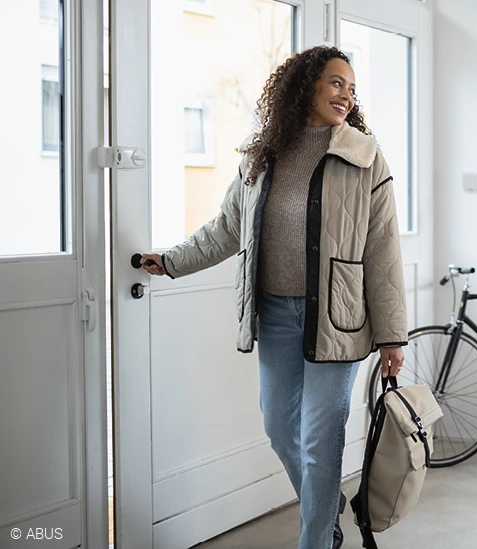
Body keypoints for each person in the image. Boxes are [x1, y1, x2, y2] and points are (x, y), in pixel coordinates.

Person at [139, 46, 408, 549]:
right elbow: (226, 228)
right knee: (280, 429)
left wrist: (393, 336)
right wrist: (172, 260)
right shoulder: (263, 154)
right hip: (276, 314)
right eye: (335, 83)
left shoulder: (365, 157)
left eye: (351, 87)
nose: (346, 95)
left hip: (338, 318)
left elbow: (384, 252)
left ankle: (316, 539)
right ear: (305, 85)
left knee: (319, 444)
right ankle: (323, 512)